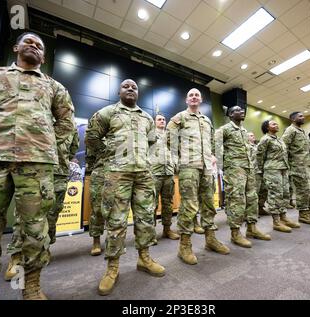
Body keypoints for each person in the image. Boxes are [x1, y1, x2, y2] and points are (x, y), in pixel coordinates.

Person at [0, 32, 76, 300]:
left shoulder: (54, 87)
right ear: (16, 47)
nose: (33, 45)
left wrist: (42, 141)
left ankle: (31, 286)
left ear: (43, 57)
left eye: (39, 45)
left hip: (37, 163)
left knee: (35, 229)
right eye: (29, 41)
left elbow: (66, 122)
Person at [86, 79, 165, 296]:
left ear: (138, 93)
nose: (130, 89)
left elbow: (150, 142)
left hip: (143, 174)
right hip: (116, 174)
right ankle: (112, 268)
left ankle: (144, 258)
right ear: (119, 91)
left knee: (146, 217)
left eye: (134, 87)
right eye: (126, 86)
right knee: (116, 220)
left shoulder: (147, 118)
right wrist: (110, 155)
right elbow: (92, 137)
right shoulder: (107, 112)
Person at [4, 130, 79, 280]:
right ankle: (16, 256)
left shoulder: (68, 120)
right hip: (33, 167)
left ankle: (44, 248)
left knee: (53, 213)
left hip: (58, 172)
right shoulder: (37, 112)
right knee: (25, 213)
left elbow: (72, 149)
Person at [167, 88, 230, 265]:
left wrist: (213, 155)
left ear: (200, 100)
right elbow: (168, 139)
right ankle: (184, 246)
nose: (194, 97)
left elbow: (211, 141)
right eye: (190, 95)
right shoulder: (179, 117)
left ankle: (210, 240)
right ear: (186, 100)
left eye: (196, 95)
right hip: (189, 167)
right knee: (189, 206)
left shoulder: (206, 120)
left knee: (209, 203)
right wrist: (178, 158)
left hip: (207, 168)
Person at [215, 107, 271, 247]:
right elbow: (214, 146)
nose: (242, 111)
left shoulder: (244, 131)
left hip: (248, 168)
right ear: (231, 114)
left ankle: (252, 229)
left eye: (242, 110)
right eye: (238, 110)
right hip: (234, 169)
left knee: (252, 198)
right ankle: (235, 233)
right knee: (236, 200)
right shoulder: (225, 129)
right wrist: (225, 166)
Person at [257, 120, 300, 233]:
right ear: (267, 127)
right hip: (272, 170)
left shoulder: (279, 139)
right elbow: (259, 156)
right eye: (273, 124)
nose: (277, 125)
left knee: (284, 193)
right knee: (275, 195)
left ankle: (283, 217)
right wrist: (261, 171)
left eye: (277, 123)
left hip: (283, 169)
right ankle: (276, 222)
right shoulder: (265, 139)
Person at [281, 112, 310, 225]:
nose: (303, 117)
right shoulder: (290, 130)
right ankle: (303, 215)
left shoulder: (301, 131)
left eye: (303, 115)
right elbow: (284, 147)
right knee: (303, 190)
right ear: (292, 118)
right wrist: (288, 165)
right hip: (298, 165)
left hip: (307, 164)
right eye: (300, 116)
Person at [150, 113, 179, 241]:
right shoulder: (150, 134)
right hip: (154, 173)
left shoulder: (170, 136)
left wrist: (175, 165)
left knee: (168, 203)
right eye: (159, 119)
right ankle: (150, 233)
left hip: (168, 173)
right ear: (155, 122)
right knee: (152, 204)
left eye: (163, 119)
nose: (162, 121)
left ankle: (167, 229)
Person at [86, 132, 106, 256]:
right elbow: (90, 157)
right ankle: (96, 241)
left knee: (117, 210)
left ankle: (114, 239)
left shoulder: (121, 134)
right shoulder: (97, 137)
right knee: (97, 209)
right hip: (99, 174)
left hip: (119, 175)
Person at [247, 132, 269, 217]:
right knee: (254, 192)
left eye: (253, 135)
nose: (253, 136)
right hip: (254, 171)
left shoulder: (257, 146)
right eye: (251, 136)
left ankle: (260, 207)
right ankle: (252, 211)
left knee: (263, 190)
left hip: (262, 170)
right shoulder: (247, 147)